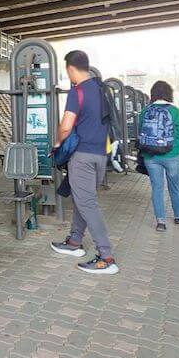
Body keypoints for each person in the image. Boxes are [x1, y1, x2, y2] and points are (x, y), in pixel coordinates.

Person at [50, 50, 119, 274]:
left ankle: (106, 257)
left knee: (87, 203)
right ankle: (74, 242)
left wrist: (58, 142)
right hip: (101, 155)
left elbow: (67, 125)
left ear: (70, 69)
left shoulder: (77, 91)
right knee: (84, 198)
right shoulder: (101, 89)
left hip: (82, 157)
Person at [138, 81, 179, 232]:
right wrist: (175, 151)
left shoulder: (145, 111)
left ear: (153, 94)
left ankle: (161, 222)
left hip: (151, 156)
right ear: (169, 94)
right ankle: (178, 216)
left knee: (157, 188)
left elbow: (141, 132)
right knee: (174, 187)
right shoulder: (175, 112)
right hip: (172, 156)